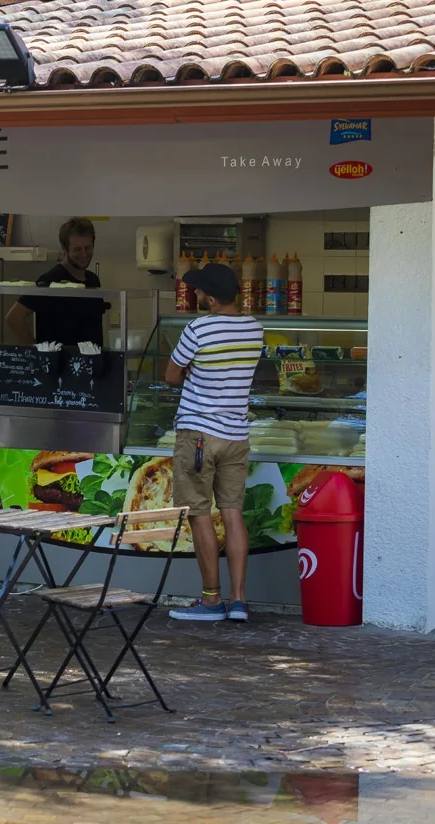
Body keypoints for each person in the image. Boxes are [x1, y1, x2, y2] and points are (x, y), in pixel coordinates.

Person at [163, 262, 264, 623]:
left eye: (199, 291)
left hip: (199, 436)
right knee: (233, 514)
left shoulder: (198, 328)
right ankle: (238, 601)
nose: (196, 295)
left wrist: (195, 371)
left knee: (199, 514)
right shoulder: (255, 328)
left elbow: (171, 375)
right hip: (236, 436)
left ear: (210, 296)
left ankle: (210, 600)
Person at [6, 217, 108, 347]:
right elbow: (14, 318)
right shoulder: (51, 280)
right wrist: (36, 353)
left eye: (87, 248)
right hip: (59, 364)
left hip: (92, 363)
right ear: (64, 249)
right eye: (77, 249)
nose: (84, 254)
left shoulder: (93, 280)